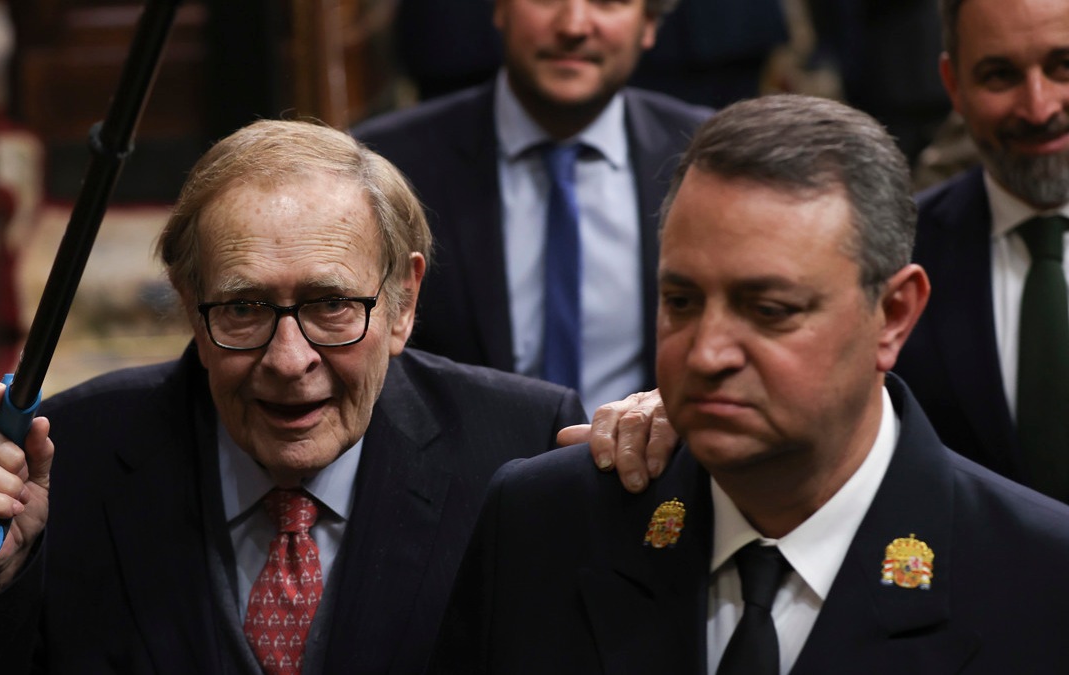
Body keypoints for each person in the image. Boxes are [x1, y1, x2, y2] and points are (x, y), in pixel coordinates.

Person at [0, 120, 666, 675]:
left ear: (401, 301)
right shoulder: (71, 455)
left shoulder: (519, 444)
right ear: (190, 304)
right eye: (244, 308)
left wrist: (685, 470)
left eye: (332, 305)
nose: (289, 361)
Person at [430, 94, 1069, 674]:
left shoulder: (1039, 580)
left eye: (769, 311)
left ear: (894, 315)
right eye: (680, 301)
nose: (706, 353)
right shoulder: (540, 527)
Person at [355, 0, 711, 413]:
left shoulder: (706, 157)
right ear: (500, 9)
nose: (574, 25)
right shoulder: (387, 166)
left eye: (607, 1)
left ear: (649, 23)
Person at [894, 0, 1069, 502]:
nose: (1039, 108)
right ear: (954, 85)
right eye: (1000, 75)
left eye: (1063, 66)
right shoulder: (896, 253)